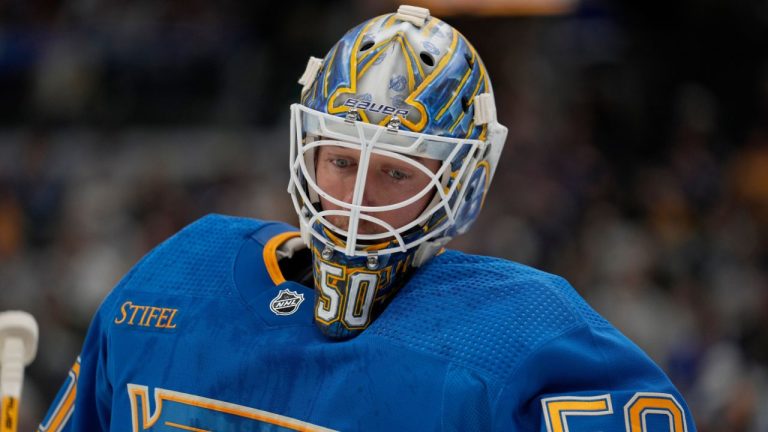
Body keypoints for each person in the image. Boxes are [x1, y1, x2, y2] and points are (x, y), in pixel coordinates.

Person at [39, 5, 696, 431]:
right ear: (307, 152)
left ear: (459, 182)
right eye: (342, 162)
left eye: (396, 171)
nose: (356, 199)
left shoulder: (525, 341)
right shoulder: (174, 281)